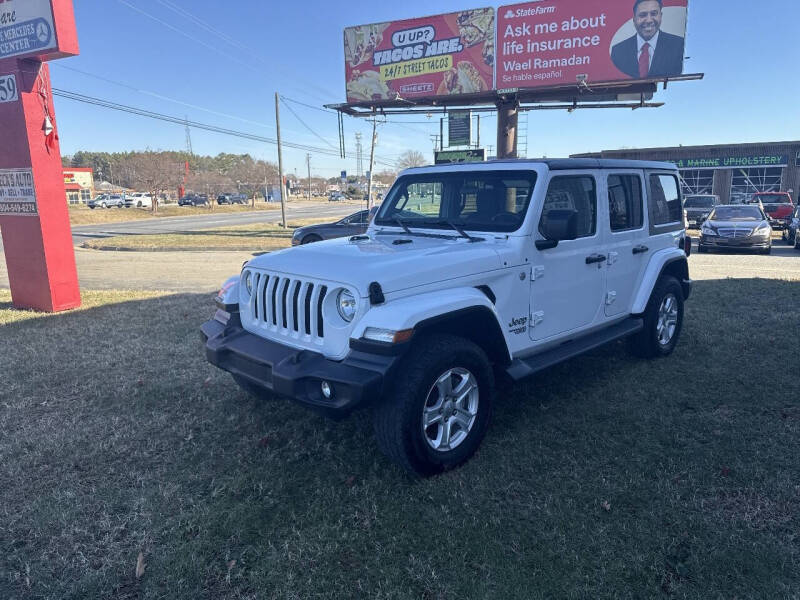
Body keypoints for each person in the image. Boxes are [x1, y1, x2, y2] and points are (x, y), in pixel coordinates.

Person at [611, 0, 685, 79]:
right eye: (643, 15)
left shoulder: (678, 45)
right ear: (634, 19)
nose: (649, 20)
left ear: (661, 16)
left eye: (654, 14)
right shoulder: (618, 51)